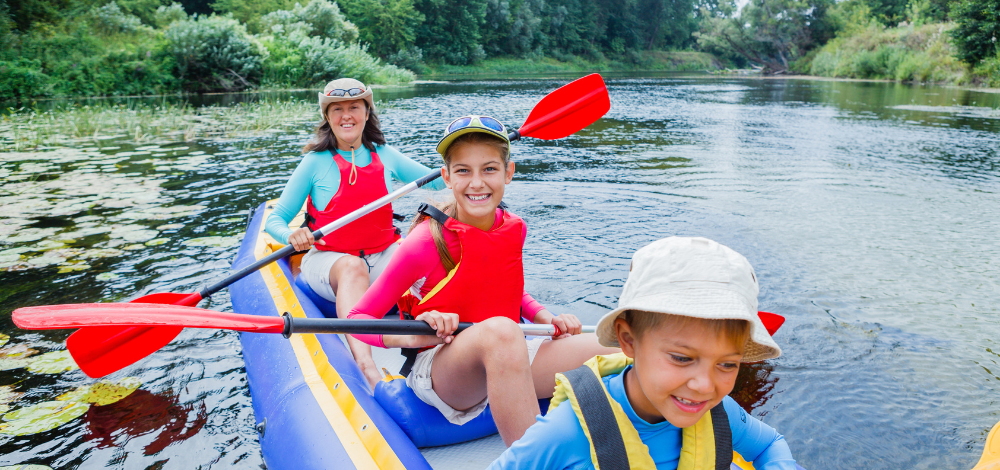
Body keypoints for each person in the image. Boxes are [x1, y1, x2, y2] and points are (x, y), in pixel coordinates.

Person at [345, 115, 619, 445]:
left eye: (489, 169)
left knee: (618, 345)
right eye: (464, 170)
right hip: (442, 369)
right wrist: (411, 336)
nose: (477, 183)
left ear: (509, 173)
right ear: (446, 176)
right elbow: (357, 320)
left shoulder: (513, 227)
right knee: (502, 330)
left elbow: (505, 286)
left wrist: (542, 316)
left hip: (508, 350)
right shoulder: (425, 241)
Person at [488, 236, 798, 470]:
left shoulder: (717, 413)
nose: (705, 385)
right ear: (628, 340)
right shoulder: (566, 432)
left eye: (727, 364)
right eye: (681, 358)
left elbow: (770, 445)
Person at [265, 78, 446, 389]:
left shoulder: (386, 155)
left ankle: (446, 340)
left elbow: (439, 183)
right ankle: (367, 367)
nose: (346, 115)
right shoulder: (314, 162)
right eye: (337, 109)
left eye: (354, 107)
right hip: (330, 260)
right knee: (353, 267)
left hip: (382, 254)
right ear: (328, 117)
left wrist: (462, 166)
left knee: (427, 257)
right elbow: (276, 220)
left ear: (366, 113)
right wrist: (292, 236)